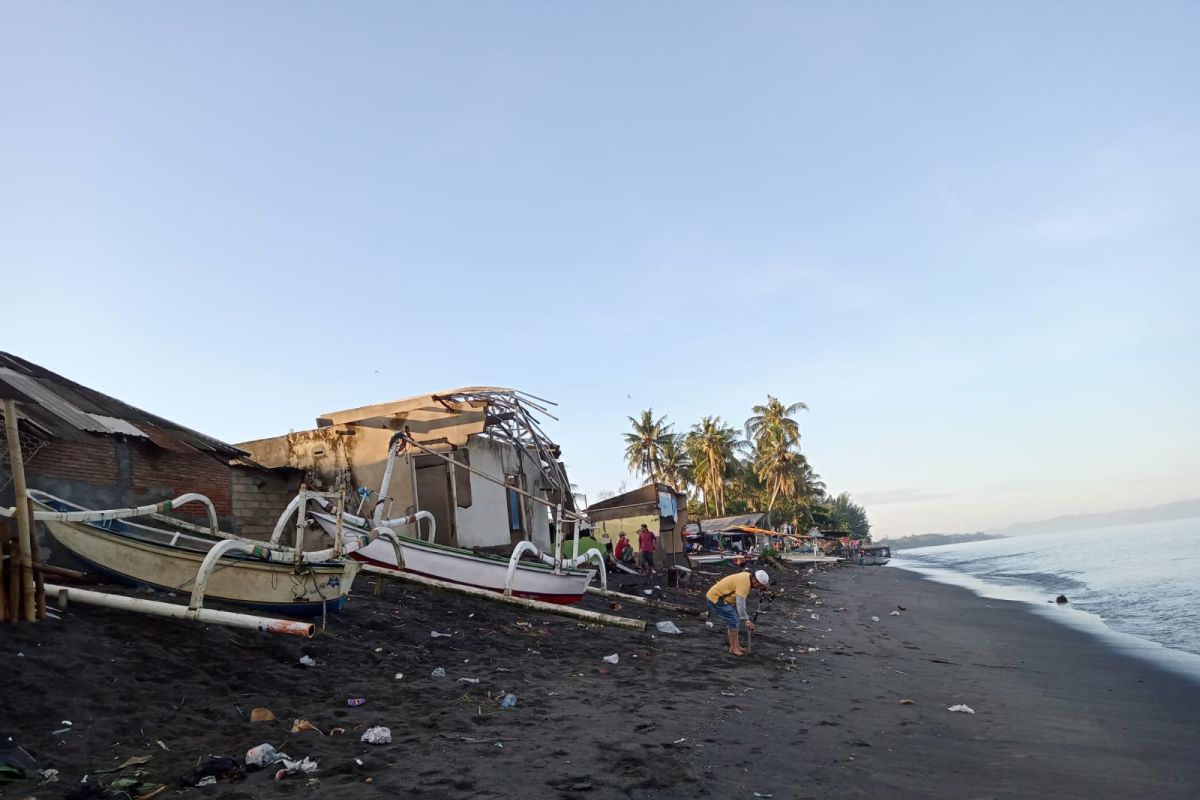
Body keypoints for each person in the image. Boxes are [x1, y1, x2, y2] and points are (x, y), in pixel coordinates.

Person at [705, 569, 770, 656]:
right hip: (716, 599)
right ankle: (733, 648)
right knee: (734, 620)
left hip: (723, 599)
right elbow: (740, 603)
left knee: (734, 620)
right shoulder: (744, 584)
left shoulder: (748, 577)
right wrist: (746, 620)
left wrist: (763, 587)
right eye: (759, 585)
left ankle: (736, 645)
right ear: (754, 579)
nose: (759, 588)